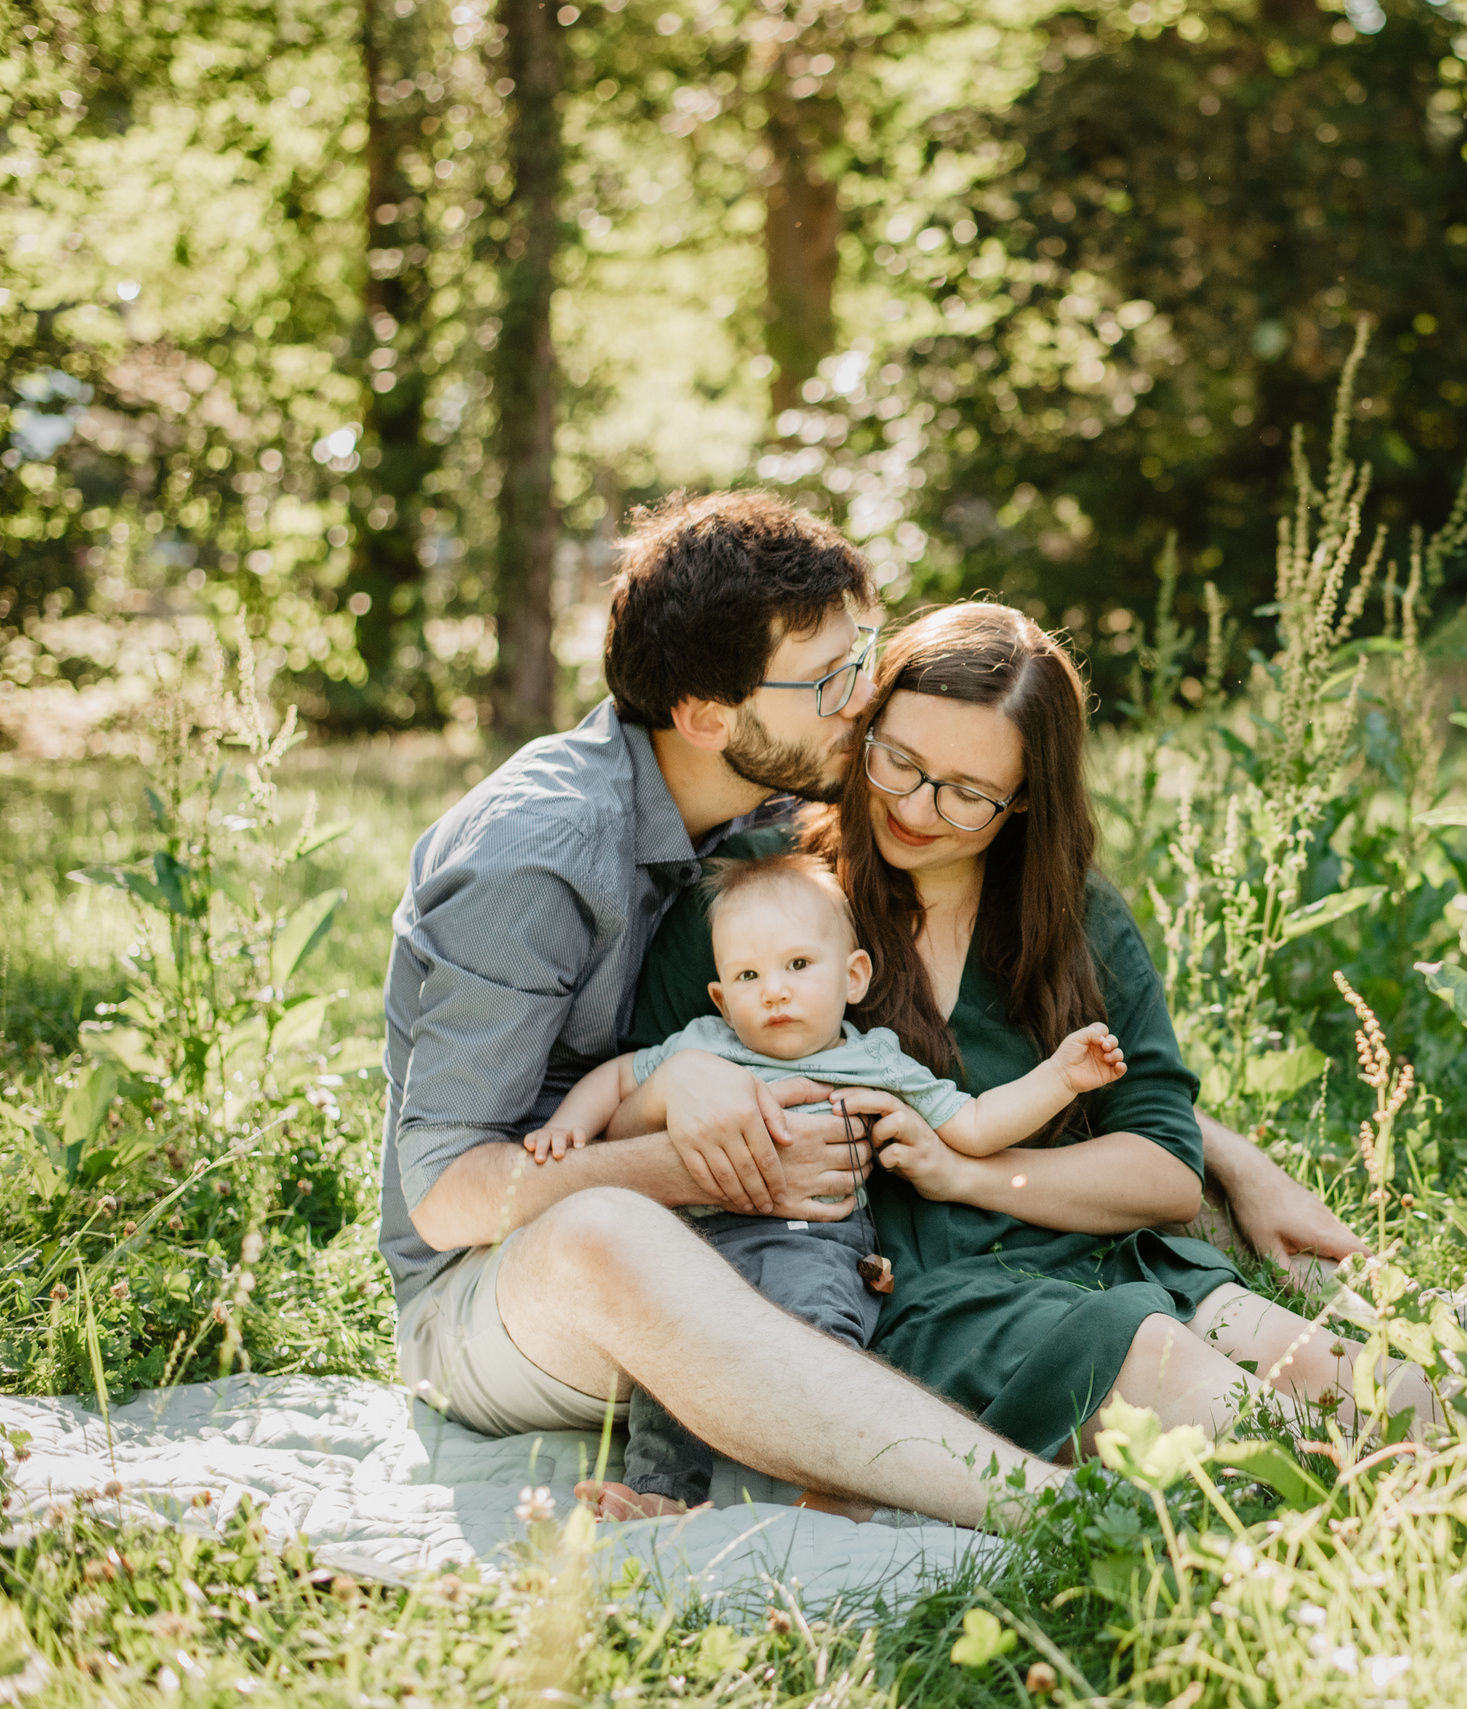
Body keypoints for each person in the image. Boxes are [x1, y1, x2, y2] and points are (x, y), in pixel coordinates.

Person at [380, 491, 1361, 1531]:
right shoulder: (535, 860)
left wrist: (1231, 1157)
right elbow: (446, 1198)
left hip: (745, 1246)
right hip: (499, 1283)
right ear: (710, 714)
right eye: (836, 680)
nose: (867, 705)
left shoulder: (763, 803)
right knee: (611, 1231)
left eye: (867, 659)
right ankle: (1045, 1518)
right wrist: (684, 1136)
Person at [599, 603, 1437, 1486]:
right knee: (1209, 1397)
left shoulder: (1071, 916)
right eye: (900, 761)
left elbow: (1162, 1164)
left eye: (966, 793)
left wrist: (967, 1174)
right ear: (868, 728)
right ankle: (1382, 1531)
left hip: (1113, 1258)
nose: (916, 809)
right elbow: (652, 1115)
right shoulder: (765, 903)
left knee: (1336, 1371)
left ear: (1026, 796)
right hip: (927, 1299)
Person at [522, 850, 1127, 1508]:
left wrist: (1059, 1078)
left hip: (814, 1245)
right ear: (722, 996)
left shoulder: (872, 1060)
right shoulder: (704, 1044)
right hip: (698, 1243)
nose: (774, 989)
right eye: (748, 975)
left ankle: (842, 1478)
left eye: (798, 965)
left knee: (819, 1346)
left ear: (854, 975)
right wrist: (569, 1126)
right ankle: (660, 1490)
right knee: (667, 1372)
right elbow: (616, 1079)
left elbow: (976, 1123)